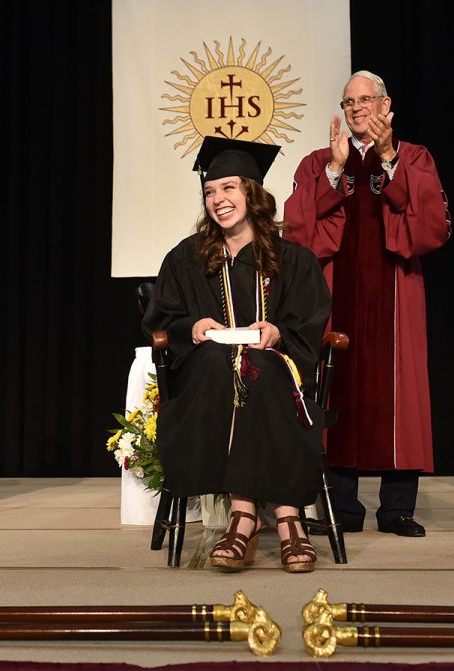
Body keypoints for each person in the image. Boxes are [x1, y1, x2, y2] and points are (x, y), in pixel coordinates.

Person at [142, 136, 332, 573]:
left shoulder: (293, 259)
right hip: (208, 381)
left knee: (261, 368)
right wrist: (192, 326)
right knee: (227, 367)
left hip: (275, 374)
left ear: (251, 192)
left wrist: (278, 332)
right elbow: (162, 316)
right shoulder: (186, 259)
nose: (218, 200)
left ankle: (257, 518)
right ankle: (278, 519)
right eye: (210, 191)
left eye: (228, 188)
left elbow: (311, 319)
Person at [283, 70, 450, 537]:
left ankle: (398, 509)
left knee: (401, 394)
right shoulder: (319, 161)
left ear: (384, 105)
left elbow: (433, 226)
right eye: (348, 101)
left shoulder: (413, 157)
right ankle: (342, 509)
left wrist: (389, 159)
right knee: (336, 391)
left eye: (365, 99)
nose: (356, 107)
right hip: (335, 297)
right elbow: (296, 232)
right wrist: (334, 173)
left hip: (396, 296)